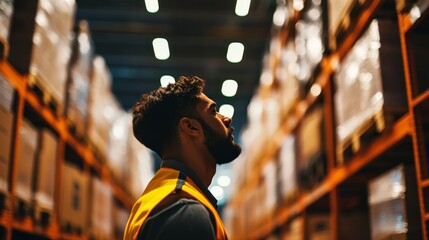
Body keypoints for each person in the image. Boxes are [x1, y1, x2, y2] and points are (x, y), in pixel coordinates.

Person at [123, 76, 242, 240]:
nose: (226, 118)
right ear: (191, 127)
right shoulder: (186, 212)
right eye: (213, 111)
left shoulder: (165, 196)